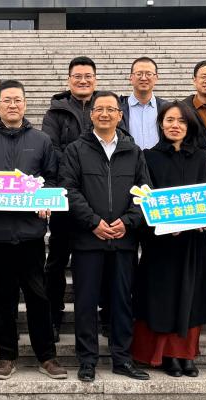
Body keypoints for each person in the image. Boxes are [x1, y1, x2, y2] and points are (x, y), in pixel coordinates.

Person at [0, 80, 67, 381]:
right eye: (6, 100)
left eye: (17, 100)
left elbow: (52, 178)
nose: (12, 105)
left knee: (38, 298)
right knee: (1, 300)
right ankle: (6, 356)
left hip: (30, 235)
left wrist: (46, 201)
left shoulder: (41, 140)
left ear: (25, 103)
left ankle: (46, 356)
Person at [59, 91, 152, 383]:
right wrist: (93, 222)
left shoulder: (133, 151)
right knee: (85, 303)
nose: (104, 114)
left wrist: (128, 222)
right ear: (91, 115)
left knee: (122, 302)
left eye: (111, 109)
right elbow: (68, 189)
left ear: (120, 115)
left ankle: (122, 358)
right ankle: (87, 360)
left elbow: (144, 192)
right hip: (88, 240)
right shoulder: (76, 149)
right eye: (99, 109)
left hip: (124, 241)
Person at [132, 101, 206, 378]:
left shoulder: (201, 157)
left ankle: (186, 355)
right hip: (161, 241)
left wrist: (201, 221)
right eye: (169, 120)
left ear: (189, 126)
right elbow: (145, 197)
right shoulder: (148, 156)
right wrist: (164, 224)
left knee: (191, 296)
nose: (175, 125)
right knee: (164, 297)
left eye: (181, 121)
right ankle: (166, 355)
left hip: (193, 241)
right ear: (161, 124)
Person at [43, 56, 99, 341]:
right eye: (77, 76)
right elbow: (51, 151)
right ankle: (53, 316)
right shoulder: (55, 113)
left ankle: (99, 316)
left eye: (88, 76)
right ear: (69, 80)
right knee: (56, 261)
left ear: (95, 80)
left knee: (95, 262)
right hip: (65, 200)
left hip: (98, 199)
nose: (83, 81)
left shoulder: (106, 106)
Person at [121, 56, 168, 151]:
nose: (143, 78)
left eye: (148, 74)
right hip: (128, 159)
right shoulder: (118, 107)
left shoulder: (166, 108)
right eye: (139, 74)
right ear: (131, 77)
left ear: (156, 78)